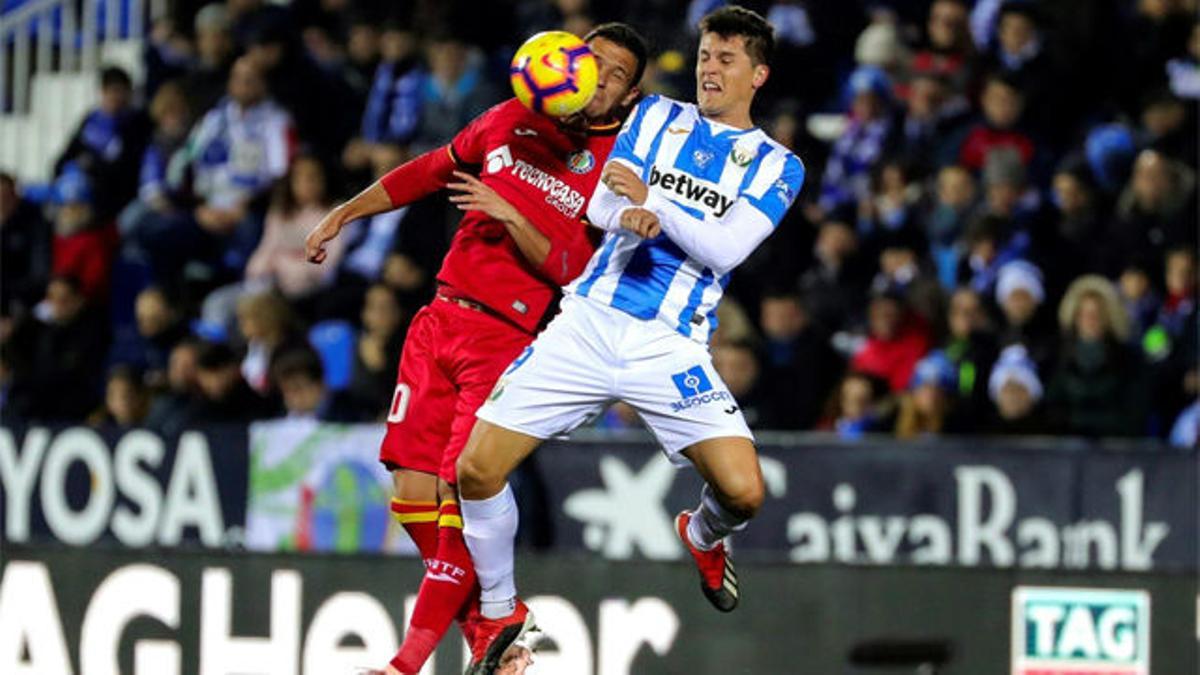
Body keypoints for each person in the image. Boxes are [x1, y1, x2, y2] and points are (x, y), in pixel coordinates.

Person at [453, 8, 804, 673]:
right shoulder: (656, 118)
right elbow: (602, 206)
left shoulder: (777, 165)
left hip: (670, 343)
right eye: (705, 55)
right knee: (475, 468)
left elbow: (725, 249)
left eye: (726, 59)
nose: (709, 68)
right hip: (588, 321)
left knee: (745, 494)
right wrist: (634, 207)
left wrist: (656, 204)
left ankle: (701, 535)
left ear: (757, 74)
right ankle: (500, 612)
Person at [303, 23, 648, 675]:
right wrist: (345, 213)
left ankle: (405, 664)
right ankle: (492, 626)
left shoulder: (615, 172)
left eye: (613, 75)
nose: (594, 78)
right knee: (409, 493)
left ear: (630, 95)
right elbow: (433, 169)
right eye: (590, 61)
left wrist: (510, 212)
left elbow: (575, 270)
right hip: (438, 315)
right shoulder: (510, 117)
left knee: (458, 495)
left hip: (505, 336)